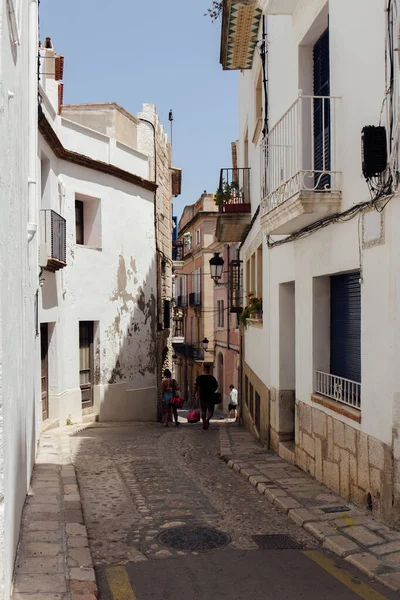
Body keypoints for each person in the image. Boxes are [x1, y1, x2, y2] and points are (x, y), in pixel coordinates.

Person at [193, 365, 218, 430]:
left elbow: (195, 387)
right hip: (210, 396)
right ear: (209, 370)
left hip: (202, 396)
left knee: (203, 411)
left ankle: (204, 422)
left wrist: (194, 394)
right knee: (211, 412)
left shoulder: (199, 378)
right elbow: (216, 386)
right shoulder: (212, 378)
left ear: (203, 370)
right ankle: (207, 420)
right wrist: (213, 390)